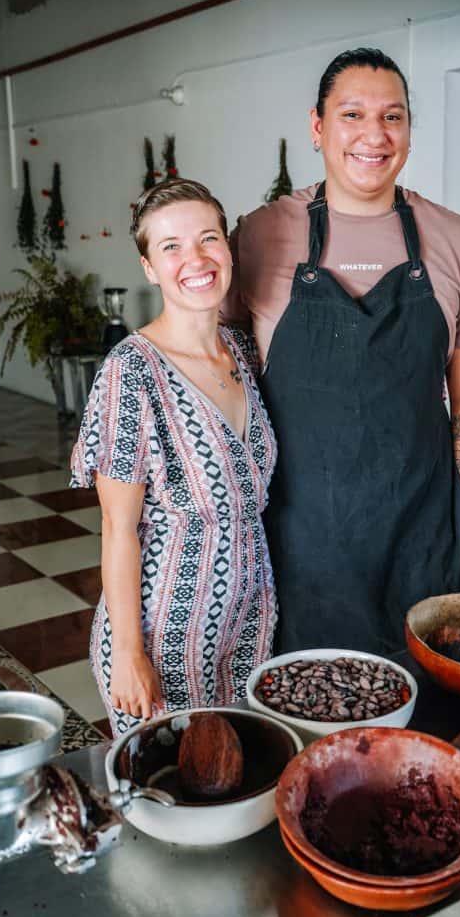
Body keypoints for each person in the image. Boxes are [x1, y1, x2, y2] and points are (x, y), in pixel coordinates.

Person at [225, 48, 460, 656]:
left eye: (393, 117)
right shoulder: (260, 234)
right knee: (313, 732)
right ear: (318, 127)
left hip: (425, 538)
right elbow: (219, 376)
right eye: (352, 114)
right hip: (297, 544)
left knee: (436, 728)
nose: (374, 136)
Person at [71, 179, 277, 735]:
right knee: (173, 798)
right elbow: (118, 529)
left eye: (208, 238)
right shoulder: (130, 371)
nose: (196, 259)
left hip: (247, 622)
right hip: (166, 632)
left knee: (241, 783)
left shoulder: (240, 349)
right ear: (149, 267)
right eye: (171, 247)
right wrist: (130, 657)